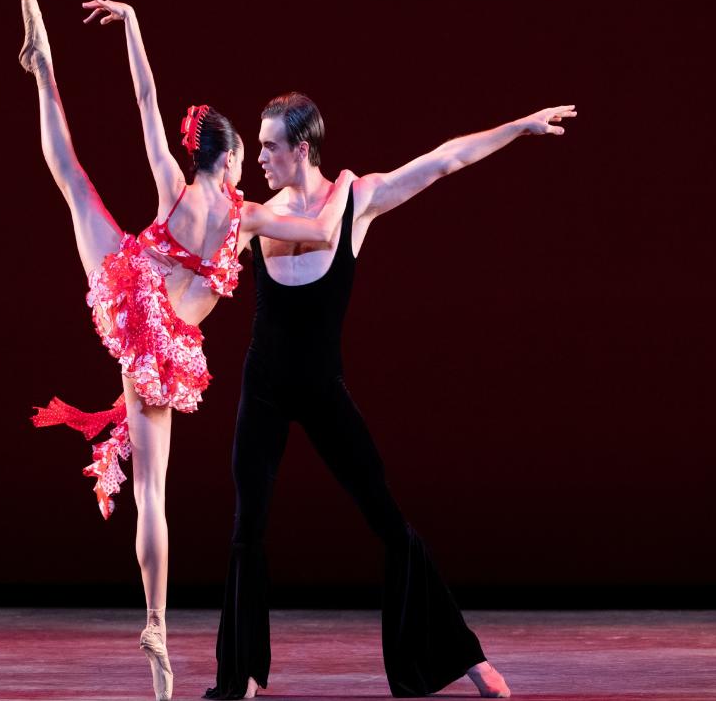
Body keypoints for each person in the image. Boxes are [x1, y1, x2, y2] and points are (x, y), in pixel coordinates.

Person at [18, 0, 354, 701]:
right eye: (242, 155)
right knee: (151, 496)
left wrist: (133, 22)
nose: (246, 165)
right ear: (229, 157)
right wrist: (345, 185)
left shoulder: (174, 182)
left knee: (73, 181)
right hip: (166, 347)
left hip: (132, 292)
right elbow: (324, 233)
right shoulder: (248, 217)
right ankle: (156, 626)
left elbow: (146, 95)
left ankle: (44, 72)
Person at [205, 92, 577, 700]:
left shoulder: (357, 198)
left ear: (302, 149)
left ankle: (467, 659)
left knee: (387, 519)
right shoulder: (257, 214)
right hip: (264, 386)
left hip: (322, 388)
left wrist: (518, 127)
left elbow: (442, 160)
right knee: (248, 525)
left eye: (270, 145)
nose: (261, 156)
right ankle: (241, 674)